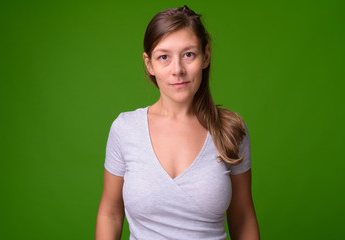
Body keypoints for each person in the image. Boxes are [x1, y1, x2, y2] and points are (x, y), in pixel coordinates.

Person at [96, 5, 260, 240]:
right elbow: (110, 213)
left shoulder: (230, 129)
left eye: (188, 54)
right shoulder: (125, 129)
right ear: (149, 64)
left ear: (206, 56)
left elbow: (243, 217)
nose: (178, 70)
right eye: (164, 57)